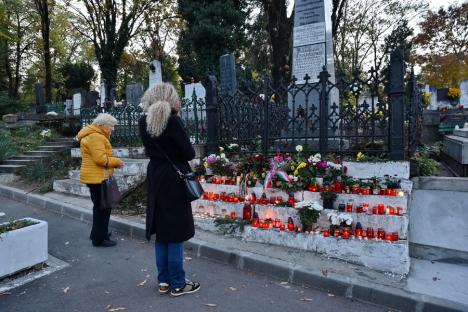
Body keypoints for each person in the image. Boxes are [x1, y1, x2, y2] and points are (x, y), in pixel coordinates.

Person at [138, 83, 200, 297]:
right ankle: (178, 283)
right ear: (169, 97)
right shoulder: (172, 120)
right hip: (174, 178)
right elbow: (189, 153)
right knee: (175, 233)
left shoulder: (142, 120)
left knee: (162, 232)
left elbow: (149, 148)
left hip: (156, 174)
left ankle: (164, 281)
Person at [77, 113, 124, 247]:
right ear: (103, 125)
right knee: (101, 208)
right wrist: (117, 162)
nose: (113, 129)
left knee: (102, 207)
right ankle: (99, 239)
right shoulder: (96, 137)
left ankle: (100, 233)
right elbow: (100, 159)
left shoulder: (95, 135)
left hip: (97, 176)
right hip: (97, 178)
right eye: (111, 126)